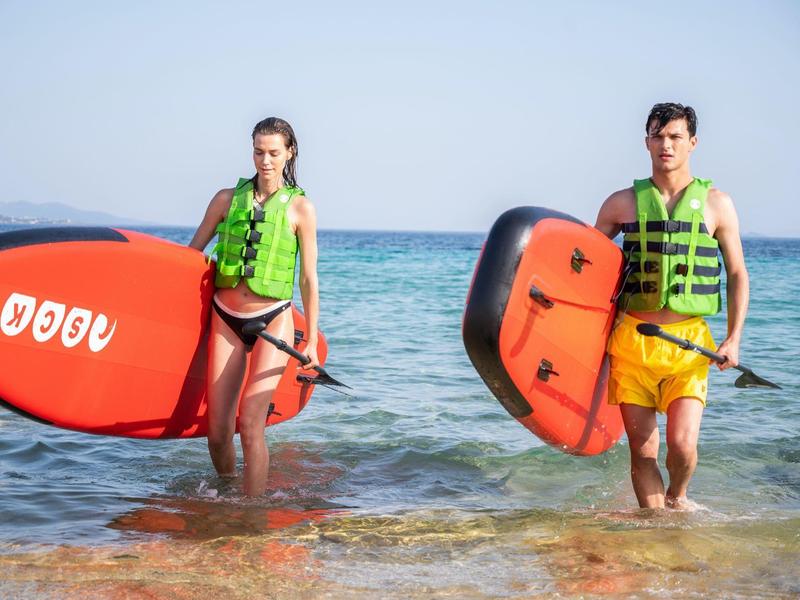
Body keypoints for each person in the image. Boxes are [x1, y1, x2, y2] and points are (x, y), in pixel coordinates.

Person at [594, 103, 749, 509]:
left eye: (675, 136)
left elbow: (737, 274)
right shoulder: (620, 204)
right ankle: (654, 530)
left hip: (688, 345)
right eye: (658, 136)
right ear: (646, 142)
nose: (666, 144)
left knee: (681, 446)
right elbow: (584, 266)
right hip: (631, 341)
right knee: (642, 453)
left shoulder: (717, 204)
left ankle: (678, 498)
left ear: (692, 143)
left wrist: (733, 338)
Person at [189, 117, 319, 496]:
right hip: (225, 317)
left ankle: (253, 513)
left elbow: (308, 279)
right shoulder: (226, 199)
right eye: (259, 152)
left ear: (289, 153)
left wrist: (309, 340)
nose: (265, 160)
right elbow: (192, 255)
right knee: (216, 433)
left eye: (274, 153)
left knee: (249, 424)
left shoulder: (301, 209)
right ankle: (227, 492)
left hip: (272, 319)